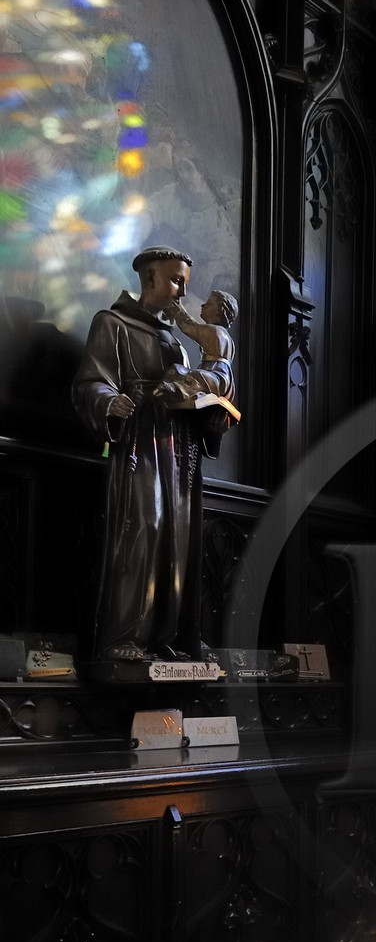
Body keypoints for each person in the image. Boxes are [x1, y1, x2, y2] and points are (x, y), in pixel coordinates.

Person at [72, 247, 237, 663]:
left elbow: (194, 394)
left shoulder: (176, 345)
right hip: (139, 448)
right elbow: (90, 382)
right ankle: (121, 636)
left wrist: (212, 419)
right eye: (176, 279)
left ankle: (165, 636)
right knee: (143, 533)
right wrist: (111, 402)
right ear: (149, 280)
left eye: (184, 280)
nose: (183, 290)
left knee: (176, 544)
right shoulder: (112, 324)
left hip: (178, 455)